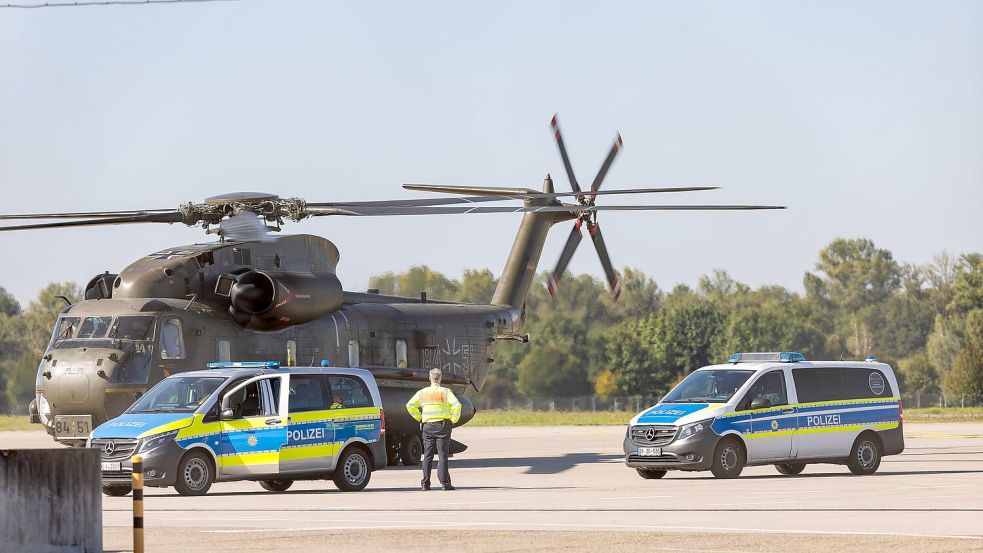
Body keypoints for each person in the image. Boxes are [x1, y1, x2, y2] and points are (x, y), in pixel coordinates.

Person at [406, 368, 462, 491]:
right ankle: (445, 483)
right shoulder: (446, 392)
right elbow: (457, 405)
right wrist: (453, 420)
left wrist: (420, 418)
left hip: (427, 426)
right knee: (442, 456)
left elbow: (409, 405)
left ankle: (425, 484)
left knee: (427, 456)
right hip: (442, 426)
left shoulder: (422, 392)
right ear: (440, 379)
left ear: (429, 378)